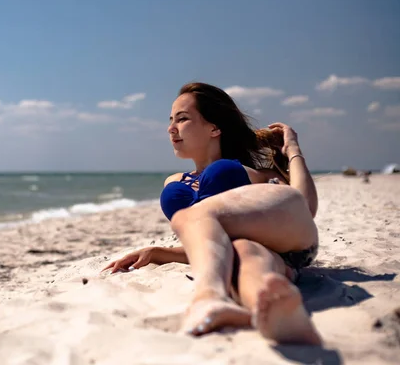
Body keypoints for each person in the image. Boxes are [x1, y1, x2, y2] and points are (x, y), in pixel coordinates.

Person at [102, 82, 321, 345]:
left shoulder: (258, 176)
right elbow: (212, 247)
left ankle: (209, 298)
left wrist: (293, 150)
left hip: (290, 243)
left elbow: (304, 209)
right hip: (257, 255)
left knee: (196, 213)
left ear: (215, 128)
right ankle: (268, 309)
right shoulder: (174, 182)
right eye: (171, 120)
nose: (171, 129)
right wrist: (157, 252)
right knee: (245, 255)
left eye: (182, 119)